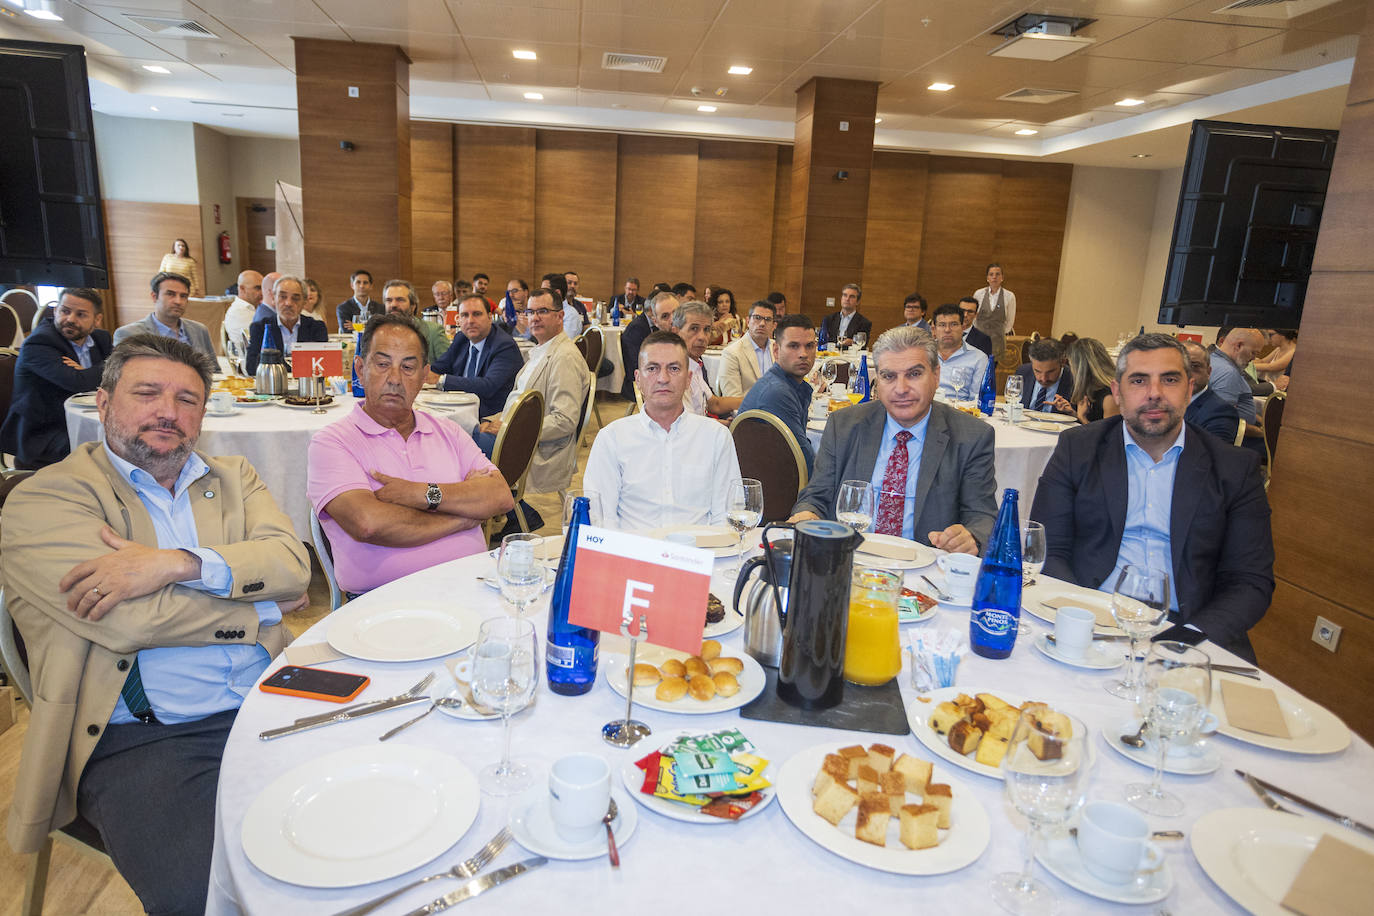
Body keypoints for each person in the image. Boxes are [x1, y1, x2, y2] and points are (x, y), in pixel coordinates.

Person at [1, 334, 310, 914]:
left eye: (188, 400)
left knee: (376, 826)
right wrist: (259, 607)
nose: (168, 411)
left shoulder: (233, 475)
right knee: (206, 896)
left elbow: (293, 566)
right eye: (147, 393)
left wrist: (178, 564)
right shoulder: (46, 498)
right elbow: (125, 620)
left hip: (272, 697)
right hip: (145, 736)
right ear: (103, 402)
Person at [1030, 334, 1274, 661]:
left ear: (1190, 389)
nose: (1154, 393)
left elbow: (1250, 582)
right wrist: (1084, 622)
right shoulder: (1078, 449)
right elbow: (1051, 550)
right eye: (1139, 380)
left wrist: (1181, 642)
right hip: (1093, 615)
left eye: (1169, 380)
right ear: (1117, 391)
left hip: (1188, 630)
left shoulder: (1233, 468)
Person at [308, 314, 512, 598]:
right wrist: (463, 517)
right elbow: (369, 523)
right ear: (360, 368)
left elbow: (500, 495)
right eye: (382, 364)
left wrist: (421, 494)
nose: (394, 379)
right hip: (384, 601)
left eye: (408, 367)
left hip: (471, 588)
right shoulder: (332, 442)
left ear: (423, 375)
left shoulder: (447, 430)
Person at [791, 325, 997, 554]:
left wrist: (972, 538)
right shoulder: (844, 425)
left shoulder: (971, 436)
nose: (901, 389)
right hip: (850, 558)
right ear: (877, 380)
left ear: (936, 376)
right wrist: (806, 514)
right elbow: (817, 495)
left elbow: (982, 516)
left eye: (914, 374)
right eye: (889, 376)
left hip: (925, 568)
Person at [583, 331, 742, 531]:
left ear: (688, 379)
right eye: (652, 368)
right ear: (638, 379)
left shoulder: (716, 437)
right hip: (633, 555)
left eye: (674, 368)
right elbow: (601, 519)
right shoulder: (612, 439)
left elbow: (726, 516)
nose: (663, 378)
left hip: (699, 554)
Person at [476, 288, 586, 496]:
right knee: (466, 431)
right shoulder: (542, 351)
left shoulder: (564, 358)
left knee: (463, 447)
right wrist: (494, 422)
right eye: (530, 312)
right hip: (516, 434)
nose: (534, 318)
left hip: (536, 449)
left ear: (560, 316)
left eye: (542, 311)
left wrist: (507, 429)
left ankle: (508, 512)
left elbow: (564, 420)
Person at [0, 288, 113, 469]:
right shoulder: (39, 343)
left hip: (85, 420)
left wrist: (89, 372)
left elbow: (120, 375)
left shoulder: (101, 339)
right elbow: (79, 383)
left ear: (97, 319)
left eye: (81, 314)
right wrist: (105, 368)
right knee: (105, 451)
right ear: (55, 311)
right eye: (65, 311)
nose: (70, 319)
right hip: (44, 434)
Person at [737, 313, 819, 473]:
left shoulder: (792, 385)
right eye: (793, 346)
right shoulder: (776, 393)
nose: (803, 354)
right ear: (776, 350)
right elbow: (804, 462)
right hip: (775, 490)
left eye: (809, 346)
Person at [428, 293, 522, 420]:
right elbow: (439, 367)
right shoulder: (462, 339)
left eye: (477, 314)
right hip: (458, 408)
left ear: (490, 317)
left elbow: (488, 386)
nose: (470, 321)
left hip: (490, 417)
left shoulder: (504, 345)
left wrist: (442, 380)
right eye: (464, 315)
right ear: (459, 320)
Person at [114, 271, 216, 358]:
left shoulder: (200, 330)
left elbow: (215, 372)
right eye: (170, 294)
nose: (178, 301)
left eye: (183, 296)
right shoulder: (129, 334)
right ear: (154, 297)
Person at [245, 275, 329, 375]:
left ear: (304, 302)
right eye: (283, 297)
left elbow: (324, 366)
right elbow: (251, 367)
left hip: (306, 388)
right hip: (273, 387)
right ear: (273, 298)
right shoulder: (261, 328)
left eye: (295, 298)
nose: (288, 303)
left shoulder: (316, 328)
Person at [674, 300, 741, 417]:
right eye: (694, 329)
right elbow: (686, 423)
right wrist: (718, 425)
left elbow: (715, 404)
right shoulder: (674, 370)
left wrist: (752, 400)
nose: (702, 337)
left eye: (707, 330)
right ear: (676, 332)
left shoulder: (694, 362)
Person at [620, 290, 677, 399]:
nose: (672, 320)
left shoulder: (687, 342)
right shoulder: (642, 333)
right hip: (646, 387)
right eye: (665, 316)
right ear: (655, 321)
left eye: (676, 313)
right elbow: (639, 366)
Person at [1182, 339, 1241, 444]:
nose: (1187, 374)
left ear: (1208, 372)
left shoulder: (1221, 412)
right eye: (1180, 367)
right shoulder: (1161, 401)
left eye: (1194, 366)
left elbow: (1214, 457)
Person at [718, 300, 777, 398]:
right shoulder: (732, 353)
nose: (762, 323)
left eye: (767, 319)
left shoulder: (779, 348)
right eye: (757, 318)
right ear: (748, 321)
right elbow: (732, 398)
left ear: (774, 326)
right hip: (748, 411)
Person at [382, 279, 449, 362]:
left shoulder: (434, 331)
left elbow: (448, 368)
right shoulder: (378, 333)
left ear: (413, 306)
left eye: (400, 300)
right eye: (389, 300)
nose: (393, 305)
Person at [931, 303, 987, 401]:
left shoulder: (979, 358)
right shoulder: (923, 353)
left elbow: (977, 400)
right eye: (942, 325)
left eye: (954, 324)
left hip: (959, 411)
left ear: (963, 327)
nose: (947, 330)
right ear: (934, 329)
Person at [1064, 337, 1119, 424]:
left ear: (1081, 368)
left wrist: (1082, 418)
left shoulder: (1109, 398)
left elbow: (1107, 436)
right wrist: (1074, 414)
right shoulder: (1090, 388)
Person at [1013, 337, 1075, 414]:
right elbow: (1012, 406)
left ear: (1063, 362)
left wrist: (1072, 413)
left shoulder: (1074, 380)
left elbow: (1085, 422)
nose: (1043, 379)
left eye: (1050, 372)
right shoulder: (1023, 372)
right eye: (1037, 371)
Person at [972, 262, 1015, 358]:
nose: (994, 277)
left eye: (997, 274)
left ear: (1002, 277)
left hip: (997, 342)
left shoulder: (1009, 296)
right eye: (991, 274)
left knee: (992, 370)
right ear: (987, 278)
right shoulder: (978, 294)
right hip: (979, 341)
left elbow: (1009, 322)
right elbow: (974, 318)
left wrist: (997, 332)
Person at [820, 283, 873, 349]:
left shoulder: (864, 323)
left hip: (850, 357)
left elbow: (863, 345)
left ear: (858, 302)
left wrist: (853, 342)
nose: (847, 299)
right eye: (845, 295)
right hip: (829, 356)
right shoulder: (829, 319)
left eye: (852, 296)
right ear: (841, 298)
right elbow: (822, 340)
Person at [222, 269, 261, 350]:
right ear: (242, 288)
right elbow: (258, 342)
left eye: (263, 288)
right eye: (257, 288)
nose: (262, 293)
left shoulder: (254, 308)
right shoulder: (238, 312)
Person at [543, 272, 583, 339]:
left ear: (557, 293)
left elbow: (563, 341)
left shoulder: (570, 315)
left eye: (545, 291)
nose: (541, 295)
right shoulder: (546, 310)